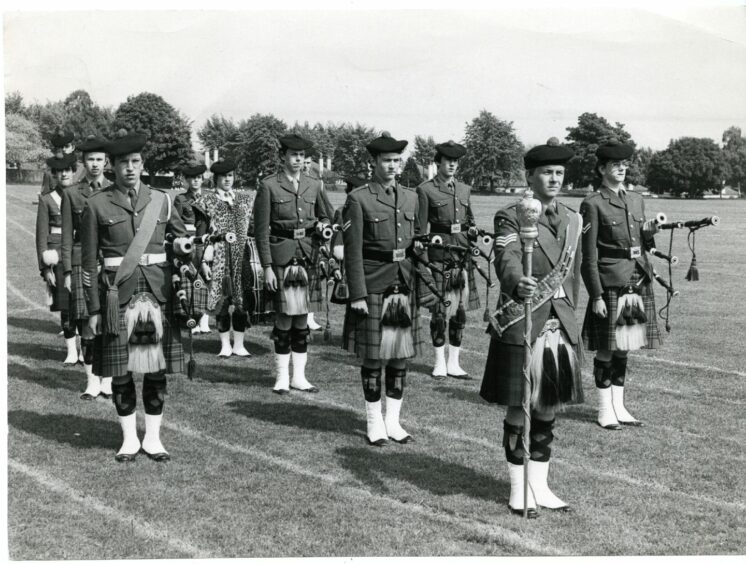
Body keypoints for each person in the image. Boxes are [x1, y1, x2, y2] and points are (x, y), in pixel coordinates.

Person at [480, 137, 584, 516]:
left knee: (548, 408)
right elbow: (505, 256)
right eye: (546, 172)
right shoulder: (512, 214)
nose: (554, 179)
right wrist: (514, 282)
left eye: (559, 172)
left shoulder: (573, 219)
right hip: (523, 319)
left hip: (558, 321)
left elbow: (572, 277)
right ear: (530, 175)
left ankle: (540, 486)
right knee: (519, 409)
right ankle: (518, 489)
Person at [81, 130, 191, 462]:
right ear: (112, 167)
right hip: (118, 296)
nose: (130, 168)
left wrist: (185, 253)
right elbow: (88, 263)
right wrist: (94, 309)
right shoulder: (96, 204)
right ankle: (129, 439)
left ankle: (153, 439)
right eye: (123, 163)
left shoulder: (162, 199)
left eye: (135, 162)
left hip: (157, 293)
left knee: (155, 369)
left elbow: (180, 242)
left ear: (142, 164)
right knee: (122, 371)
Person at [341, 132, 433, 446]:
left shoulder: (411, 196)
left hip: (403, 282)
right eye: (386, 161)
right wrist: (357, 294)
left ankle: (393, 421)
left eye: (397, 160)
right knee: (372, 358)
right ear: (374, 163)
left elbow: (416, 239)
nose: (393, 166)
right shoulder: (359, 198)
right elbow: (352, 252)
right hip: (373, 283)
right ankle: (373, 422)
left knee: (399, 357)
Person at [580, 139, 661, 430]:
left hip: (636, 278)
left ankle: (619, 406)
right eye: (616, 165)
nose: (622, 169)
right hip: (610, 282)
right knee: (606, 348)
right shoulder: (592, 203)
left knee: (624, 347)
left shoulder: (636, 198)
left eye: (625, 164)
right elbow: (588, 256)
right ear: (602, 168)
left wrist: (649, 232)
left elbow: (643, 242)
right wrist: (596, 295)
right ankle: (604, 410)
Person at [253, 134, 330, 394]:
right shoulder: (268, 186)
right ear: (282, 156)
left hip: (307, 256)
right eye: (293, 155)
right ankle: (282, 378)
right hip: (281, 259)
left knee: (301, 321)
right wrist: (266, 267)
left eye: (302, 156)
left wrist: (323, 226)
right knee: (284, 320)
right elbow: (261, 231)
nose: (298, 160)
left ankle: (299, 377)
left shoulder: (314, 184)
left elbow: (327, 217)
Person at [416, 140, 479, 380]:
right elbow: (421, 230)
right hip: (438, 259)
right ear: (438, 162)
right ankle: (439, 363)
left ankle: (455, 363)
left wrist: (472, 235)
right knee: (440, 312)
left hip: (461, 258)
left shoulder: (464, 189)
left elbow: (470, 222)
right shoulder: (425, 190)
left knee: (460, 312)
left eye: (455, 161)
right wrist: (424, 263)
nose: (452, 165)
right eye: (447, 161)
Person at [61, 135, 113, 399]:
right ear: (83, 161)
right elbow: (67, 237)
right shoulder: (72, 194)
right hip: (84, 265)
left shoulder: (115, 190)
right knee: (87, 325)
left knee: (111, 322)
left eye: (99, 159)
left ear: (106, 162)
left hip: (111, 266)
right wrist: (68, 272)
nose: (95, 164)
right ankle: (92, 381)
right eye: (90, 159)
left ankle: (108, 380)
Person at [195, 160, 254, 357]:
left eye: (230, 176)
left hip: (242, 256)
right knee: (221, 302)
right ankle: (224, 345)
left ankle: (239, 344)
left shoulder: (245, 199)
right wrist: (204, 261)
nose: (227, 180)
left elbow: (253, 230)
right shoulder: (207, 201)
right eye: (223, 177)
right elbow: (201, 234)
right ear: (216, 179)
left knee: (241, 301)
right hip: (218, 257)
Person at [37, 153, 77, 363]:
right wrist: (45, 269)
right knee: (66, 305)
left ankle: (86, 348)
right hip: (57, 258)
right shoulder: (47, 199)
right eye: (59, 171)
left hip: (78, 256)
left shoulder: (81, 195)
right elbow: (41, 236)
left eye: (68, 170)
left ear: (74, 172)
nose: (64, 174)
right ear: (54, 174)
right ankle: (71, 351)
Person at [174, 163, 211, 334]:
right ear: (187, 181)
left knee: (206, 280)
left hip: (205, 243)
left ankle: (205, 320)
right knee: (190, 280)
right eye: (192, 179)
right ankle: (192, 320)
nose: (195, 181)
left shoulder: (209, 198)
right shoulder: (181, 199)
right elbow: (175, 222)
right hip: (189, 243)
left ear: (202, 180)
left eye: (198, 178)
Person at [302, 146, 334, 332]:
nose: (305, 166)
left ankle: (310, 317)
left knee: (314, 279)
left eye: (308, 162)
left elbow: (326, 211)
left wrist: (325, 226)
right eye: (303, 162)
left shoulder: (316, 183)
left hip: (313, 238)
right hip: (295, 239)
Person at [41, 129, 85, 195]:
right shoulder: (49, 173)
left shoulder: (83, 169)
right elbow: (45, 198)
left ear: (73, 147)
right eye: (60, 147)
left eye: (67, 146)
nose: (63, 149)